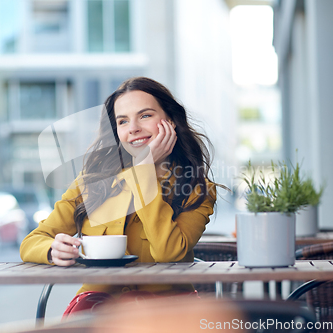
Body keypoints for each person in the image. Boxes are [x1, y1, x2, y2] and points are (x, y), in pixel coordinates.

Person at [20, 77, 223, 315]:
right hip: (96, 310)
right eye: (123, 121)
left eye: (145, 115)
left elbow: (168, 254)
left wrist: (144, 169)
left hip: (170, 310)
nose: (133, 128)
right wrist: (52, 249)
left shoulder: (198, 188)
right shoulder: (90, 183)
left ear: (170, 121)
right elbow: (31, 241)